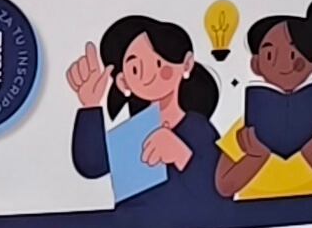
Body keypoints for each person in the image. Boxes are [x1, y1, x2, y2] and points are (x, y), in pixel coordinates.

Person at [65, 17, 222, 205]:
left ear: (186, 65)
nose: (150, 76)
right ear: (123, 82)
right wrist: (90, 106)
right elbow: (92, 164)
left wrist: (181, 155)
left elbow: (218, 188)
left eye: (159, 63)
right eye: (135, 69)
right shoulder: (135, 132)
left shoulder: (198, 128)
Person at [215, 0, 312, 201]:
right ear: (256, 64)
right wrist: (254, 157)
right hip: (253, 210)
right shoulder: (247, 126)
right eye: (270, 55)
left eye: (295, 55)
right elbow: (224, 185)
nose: (284, 63)